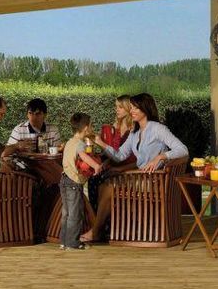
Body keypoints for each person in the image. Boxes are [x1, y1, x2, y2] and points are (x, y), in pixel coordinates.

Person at [80, 93, 188, 243]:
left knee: (110, 188)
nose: (132, 111)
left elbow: (183, 149)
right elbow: (119, 156)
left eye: (135, 108)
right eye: (131, 108)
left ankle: (96, 231)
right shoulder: (135, 133)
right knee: (103, 186)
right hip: (139, 178)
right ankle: (105, 229)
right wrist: (99, 141)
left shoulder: (158, 129)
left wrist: (161, 156)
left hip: (154, 181)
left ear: (145, 108)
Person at [60, 113, 102, 250]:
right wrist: (96, 165)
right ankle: (73, 243)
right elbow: (84, 156)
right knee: (75, 214)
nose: (91, 128)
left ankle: (64, 241)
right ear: (85, 128)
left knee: (66, 213)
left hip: (64, 179)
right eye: (90, 125)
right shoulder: (80, 144)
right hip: (73, 182)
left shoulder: (69, 142)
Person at [87, 95, 136, 211]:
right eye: (116, 107)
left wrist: (121, 168)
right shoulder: (116, 127)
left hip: (128, 170)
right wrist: (107, 162)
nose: (116, 110)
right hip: (115, 166)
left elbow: (136, 158)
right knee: (93, 177)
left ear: (129, 108)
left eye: (120, 107)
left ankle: (102, 220)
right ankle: (97, 217)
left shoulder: (133, 128)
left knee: (100, 179)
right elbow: (116, 152)